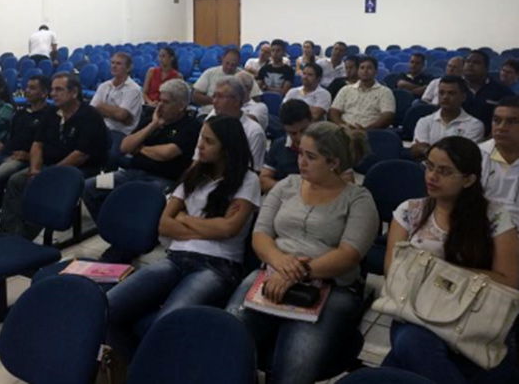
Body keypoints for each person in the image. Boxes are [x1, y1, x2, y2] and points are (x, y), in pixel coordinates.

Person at [227, 122, 379, 384]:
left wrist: (299, 273)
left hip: (331, 285)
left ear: (333, 162)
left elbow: (349, 254)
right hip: (273, 270)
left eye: (311, 157)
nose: (301, 162)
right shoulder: (287, 185)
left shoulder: (358, 199)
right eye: (300, 154)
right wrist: (281, 264)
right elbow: (260, 235)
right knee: (229, 338)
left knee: (296, 365)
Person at [106, 116, 261, 361]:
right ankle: (135, 367)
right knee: (107, 307)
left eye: (209, 141)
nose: (200, 146)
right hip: (176, 258)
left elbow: (229, 229)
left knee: (167, 323)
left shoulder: (247, 179)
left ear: (227, 147)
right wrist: (209, 226)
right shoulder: (194, 173)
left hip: (217, 266)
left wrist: (185, 218)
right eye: (201, 138)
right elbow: (164, 224)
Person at [382, 136, 519, 384]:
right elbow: (393, 272)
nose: (432, 176)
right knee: (412, 343)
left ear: (468, 180)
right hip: (415, 310)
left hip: (474, 314)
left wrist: (432, 270)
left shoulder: (495, 217)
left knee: (403, 358)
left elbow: (509, 282)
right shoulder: (409, 212)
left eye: (444, 171)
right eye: (430, 166)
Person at [0, 72, 108, 239]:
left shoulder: (90, 116)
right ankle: (9, 233)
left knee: (39, 186)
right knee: (17, 181)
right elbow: (37, 144)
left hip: (79, 169)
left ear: (74, 92)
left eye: (59, 90)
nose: (53, 94)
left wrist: (49, 175)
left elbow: (80, 155)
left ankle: (26, 236)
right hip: (49, 165)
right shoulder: (52, 113)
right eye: (52, 90)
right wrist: (35, 170)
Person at [82, 79, 200, 223]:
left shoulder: (191, 126)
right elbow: (125, 147)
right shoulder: (151, 119)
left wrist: (140, 148)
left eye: (166, 102)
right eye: (159, 100)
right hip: (131, 174)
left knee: (137, 199)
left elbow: (166, 154)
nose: (160, 105)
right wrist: (153, 125)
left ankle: (132, 230)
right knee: (89, 186)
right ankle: (108, 225)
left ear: (181, 106)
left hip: (162, 179)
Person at [0, 75, 51, 233]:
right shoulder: (21, 113)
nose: (27, 91)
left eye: (33, 88)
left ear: (44, 93)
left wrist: (27, 156)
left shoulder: (50, 115)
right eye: (27, 87)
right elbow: (12, 138)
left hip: (27, 158)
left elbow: (47, 145)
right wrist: (1, 146)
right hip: (9, 153)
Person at [198, 77, 266, 172]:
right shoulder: (210, 121)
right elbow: (197, 160)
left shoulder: (253, 131)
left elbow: (252, 170)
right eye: (214, 96)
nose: (214, 101)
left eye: (220, 97)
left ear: (237, 101)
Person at [409, 76, 484, 160]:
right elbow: (415, 151)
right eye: (441, 93)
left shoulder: (474, 125)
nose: (445, 97)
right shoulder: (424, 121)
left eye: (451, 93)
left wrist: (426, 150)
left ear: (463, 97)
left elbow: (464, 157)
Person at [89, 52, 143, 161]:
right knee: (82, 146)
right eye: (112, 63)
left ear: (128, 68)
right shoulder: (104, 86)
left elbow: (122, 116)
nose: (113, 66)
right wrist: (114, 112)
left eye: (118, 63)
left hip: (121, 132)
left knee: (110, 156)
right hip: (101, 127)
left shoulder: (133, 89)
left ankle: (107, 177)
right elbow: (92, 110)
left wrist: (102, 107)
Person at [480, 96, 519, 230]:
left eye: (512, 121)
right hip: (480, 230)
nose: (501, 128)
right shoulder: (476, 154)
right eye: (497, 120)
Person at [259, 99, 312, 193]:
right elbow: (263, 181)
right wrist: (292, 189)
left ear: (311, 122)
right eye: (293, 133)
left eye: (304, 130)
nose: (300, 137)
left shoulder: (326, 143)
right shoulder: (278, 145)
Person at [329, 56, 395, 129]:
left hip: (372, 132)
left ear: (376, 72)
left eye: (369, 68)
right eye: (362, 68)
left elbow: (387, 115)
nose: (365, 71)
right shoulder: (346, 90)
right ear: (358, 71)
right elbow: (334, 111)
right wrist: (342, 125)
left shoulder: (385, 92)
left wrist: (366, 130)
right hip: (344, 130)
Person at [462, 50, 513, 136]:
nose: (470, 65)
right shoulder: (454, 88)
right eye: (467, 61)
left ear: (486, 68)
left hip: (490, 139)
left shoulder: (502, 91)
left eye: (476, 62)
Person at [193, 48, 261, 109]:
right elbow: (196, 96)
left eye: (233, 65)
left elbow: (256, 97)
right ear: (222, 59)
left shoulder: (245, 76)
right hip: (209, 111)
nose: (229, 67)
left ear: (238, 64)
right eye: (227, 63)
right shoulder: (209, 72)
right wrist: (218, 101)